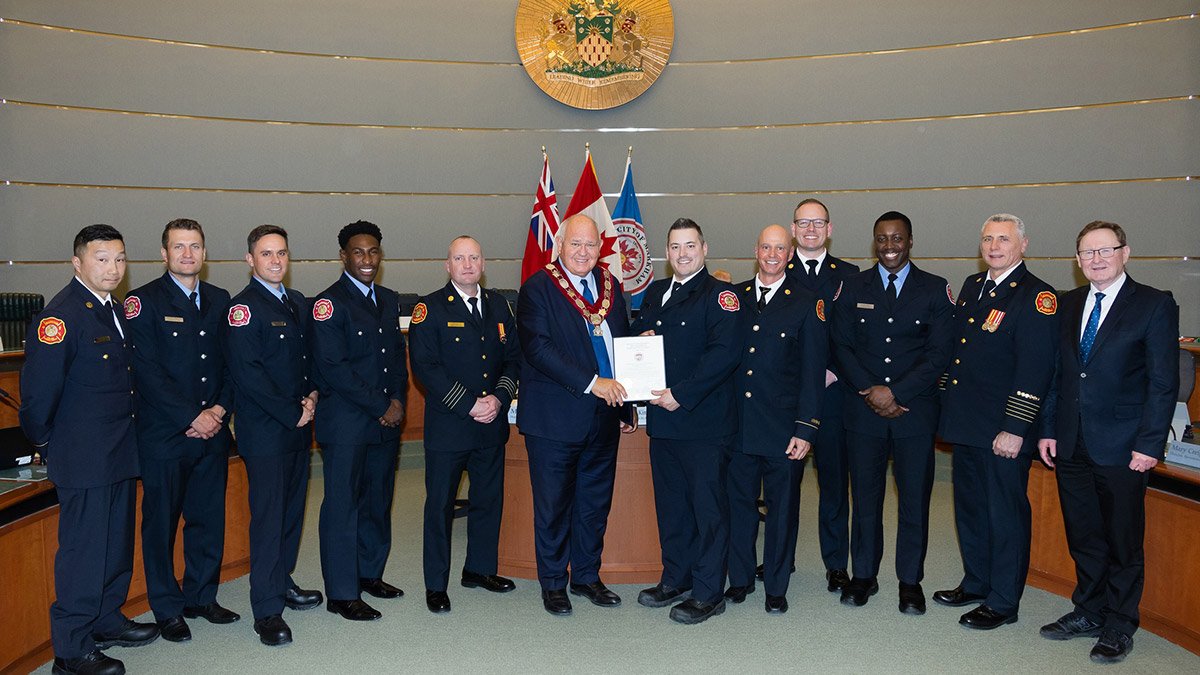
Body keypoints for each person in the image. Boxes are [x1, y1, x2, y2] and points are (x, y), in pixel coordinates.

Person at [1037, 221, 1178, 664]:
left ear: (1125, 253)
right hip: (1071, 440)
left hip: (1123, 445)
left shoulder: (1154, 304)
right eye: (1087, 252)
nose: (1096, 259)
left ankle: (1119, 623)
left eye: (1105, 250)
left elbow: (1162, 381)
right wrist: (1047, 428)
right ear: (1077, 260)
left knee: (1122, 539)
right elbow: (1058, 374)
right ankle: (1089, 610)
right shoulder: (1067, 303)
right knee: (1084, 535)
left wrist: (1149, 443)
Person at [20, 224, 159, 675]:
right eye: (102, 259)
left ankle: (105, 619)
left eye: (120, 259)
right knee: (83, 551)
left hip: (119, 450)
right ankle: (71, 648)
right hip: (83, 455)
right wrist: (46, 443)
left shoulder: (114, 309)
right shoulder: (60, 318)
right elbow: (38, 396)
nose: (113, 268)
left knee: (115, 545)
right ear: (77, 262)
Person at [934, 214, 1059, 629]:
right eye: (987, 238)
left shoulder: (1037, 297)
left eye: (1003, 239)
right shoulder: (974, 286)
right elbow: (960, 353)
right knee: (970, 507)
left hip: (1004, 429)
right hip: (968, 423)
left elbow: (1036, 369)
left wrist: (1017, 428)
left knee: (1005, 514)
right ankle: (977, 581)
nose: (994, 246)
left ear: (1023, 245)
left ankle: (1004, 601)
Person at [831, 211, 954, 613]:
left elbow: (939, 354)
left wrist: (896, 392)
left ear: (910, 241)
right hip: (863, 412)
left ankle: (910, 582)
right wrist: (873, 391)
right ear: (874, 242)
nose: (889, 247)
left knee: (914, 501)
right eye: (881, 239)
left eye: (897, 239)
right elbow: (841, 346)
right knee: (865, 498)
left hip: (913, 412)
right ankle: (864, 575)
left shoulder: (935, 290)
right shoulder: (851, 286)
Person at [516, 214, 637, 617]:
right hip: (554, 419)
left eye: (590, 245)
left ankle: (586, 575)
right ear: (559, 246)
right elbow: (539, 349)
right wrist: (593, 382)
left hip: (603, 418)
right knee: (553, 506)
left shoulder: (610, 284)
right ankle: (553, 583)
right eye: (575, 245)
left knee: (593, 504)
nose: (584, 252)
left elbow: (618, 342)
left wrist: (628, 400)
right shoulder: (538, 288)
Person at [125, 219, 240, 644]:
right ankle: (168, 608)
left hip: (213, 433)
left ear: (205, 253)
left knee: (207, 520)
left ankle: (201, 597)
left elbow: (232, 364)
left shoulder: (220, 299)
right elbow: (148, 374)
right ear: (163, 253)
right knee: (161, 525)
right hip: (165, 437)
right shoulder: (142, 302)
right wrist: (194, 416)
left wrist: (221, 409)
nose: (187, 254)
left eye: (195, 247)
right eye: (179, 247)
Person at [630, 218, 744, 625]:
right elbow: (639, 342)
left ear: (704, 249)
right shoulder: (656, 292)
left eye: (690, 246)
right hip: (664, 423)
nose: (682, 254)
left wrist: (682, 393)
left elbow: (724, 354)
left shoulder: (721, 296)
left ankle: (710, 591)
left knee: (709, 511)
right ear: (667, 253)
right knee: (673, 508)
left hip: (704, 424)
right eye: (675, 247)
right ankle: (675, 578)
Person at [409, 236, 520, 614]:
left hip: (491, 423)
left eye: (474, 257)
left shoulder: (500, 305)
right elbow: (426, 368)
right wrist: (470, 404)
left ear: (483, 263)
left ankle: (479, 569)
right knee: (439, 507)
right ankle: (436, 585)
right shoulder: (430, 308)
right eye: (460, 258)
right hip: (450, 428)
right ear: (448, 265)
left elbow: (512, 360)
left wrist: (499, 400)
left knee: (488, 501)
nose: (468, 264)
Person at [223, 224, 323, 646]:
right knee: (268, 519)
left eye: (282, 253)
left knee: (291, 515)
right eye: (266, 254)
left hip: (299, 428)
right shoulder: (243, 309)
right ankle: (266, 610)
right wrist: (291, 412)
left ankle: (281, 582)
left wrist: (313, 396)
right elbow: (248, 375)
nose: (276, 260)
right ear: (250, 260)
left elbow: (308, 360)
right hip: (266, 432)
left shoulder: (298, 302)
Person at [309, 221, 408, 622]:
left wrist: (398, 400)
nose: (366, 260)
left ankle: (369, 574)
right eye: (358, 252)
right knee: (343, 506)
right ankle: (342, 592)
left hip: (385, 423)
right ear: (344, 256)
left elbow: (396, 359)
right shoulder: (328, 304)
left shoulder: (387, 298)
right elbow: (333, 367)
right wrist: (382, 405)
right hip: (348, 424)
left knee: (377, 502)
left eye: (373, 252)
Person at [726, 224, 826, 615]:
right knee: (739, 506)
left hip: (784, 431)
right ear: (756, 250)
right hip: (737, 427)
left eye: (779, 248)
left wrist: (806, 428)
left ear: (789, 253)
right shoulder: (733, 297)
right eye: (765, 246)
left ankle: (777, 587)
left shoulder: (807, 301)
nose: (772, 254)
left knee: (782, 512)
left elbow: (813, 372)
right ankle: (740, 578)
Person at [784, 198, 860, 593]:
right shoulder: (777, 268)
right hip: (786, 397)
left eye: (818, 223)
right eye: (803, 222)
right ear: (793, 229)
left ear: (830, 229)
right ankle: (782, 559)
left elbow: (855, 338)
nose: (810, 229)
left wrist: (833, 371)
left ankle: (836, 564)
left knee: (833, 482)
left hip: (833, 395)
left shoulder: (850, 275)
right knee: (785, 484)